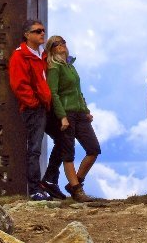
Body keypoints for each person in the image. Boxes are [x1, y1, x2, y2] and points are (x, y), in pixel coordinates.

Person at [7, 19, 66, 201]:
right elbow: (19, 85)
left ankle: (49, 180)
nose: (42, 34)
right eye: (38, 31)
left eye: (43, 31)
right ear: (27, 34)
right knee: (34, 148)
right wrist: (34, 103)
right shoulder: (20, 56)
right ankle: (34, 190)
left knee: (64, 139)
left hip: (46, 107)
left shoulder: (42, 54)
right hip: (34, 109)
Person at [45, 35, 100, 202]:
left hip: (80, 113)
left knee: (93, 149)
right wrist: (62, 117)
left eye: (63, 42)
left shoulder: (70, 65)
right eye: (56, 43)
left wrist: (86, 110)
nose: (61, 45)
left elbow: (78, 91)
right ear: (51, 48)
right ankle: (77, 190)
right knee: (68, 153)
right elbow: (53, 93)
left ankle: (76, 183)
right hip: (67, 113)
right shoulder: (54, 67)